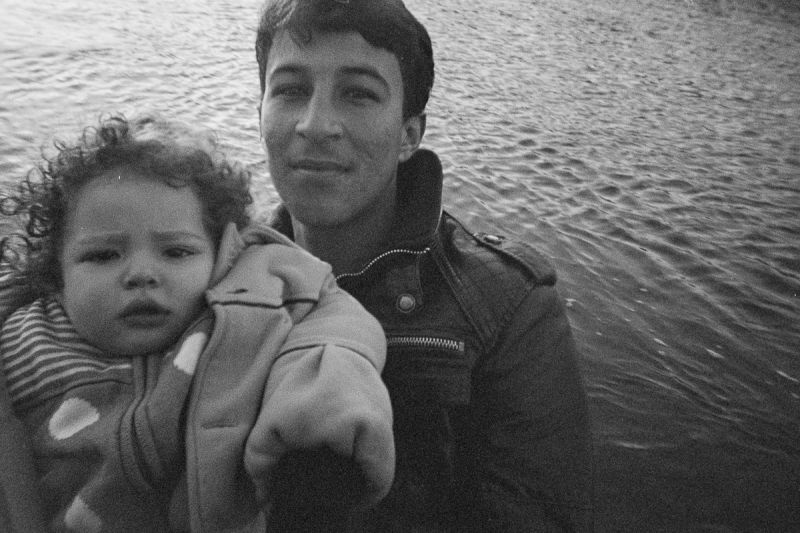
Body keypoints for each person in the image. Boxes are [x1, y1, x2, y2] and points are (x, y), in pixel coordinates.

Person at [255, 0, 595, 530]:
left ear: (409, 134)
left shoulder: (508, 311)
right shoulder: (209, 276)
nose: (315, 123)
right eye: (291, 89)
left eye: (359, 93)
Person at [0, 114, 395, 532]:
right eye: (103, 255)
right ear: (56, 274)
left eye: (176, 252)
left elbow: (333, 325)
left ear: (221, 253)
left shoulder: (245, 303)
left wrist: (318, 415)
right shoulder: (23, 341)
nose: (141, 274)